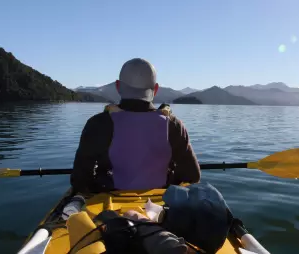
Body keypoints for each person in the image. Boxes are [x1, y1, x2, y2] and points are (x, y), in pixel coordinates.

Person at [71, 58, 201, 193]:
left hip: (109, 204)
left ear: (118, 86)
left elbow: (80, 180)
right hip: (159, 204)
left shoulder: (97, 124)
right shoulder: (174, 125)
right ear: (155, 89)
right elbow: (192, 176)